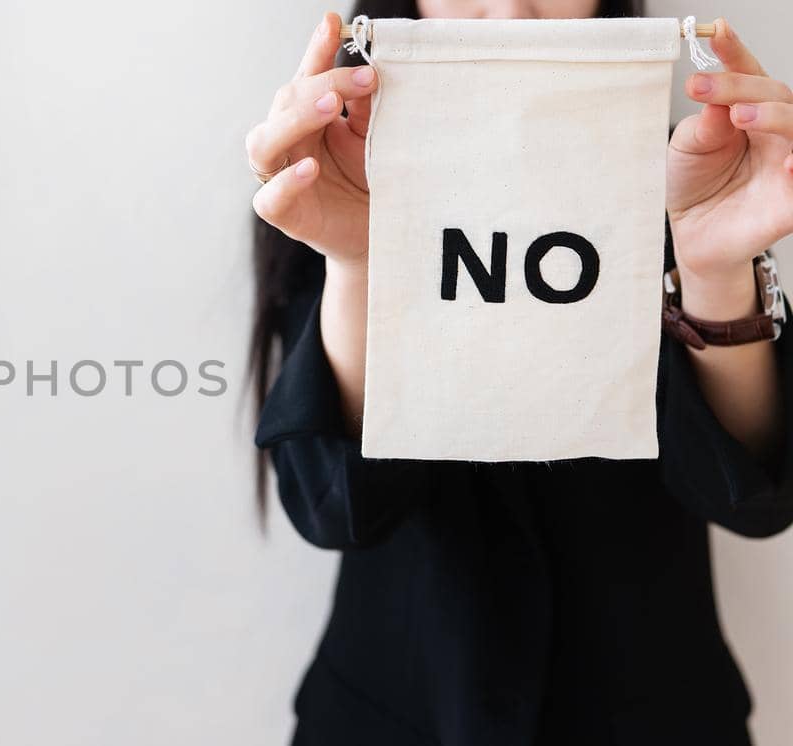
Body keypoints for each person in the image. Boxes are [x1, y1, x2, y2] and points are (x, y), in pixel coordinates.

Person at [246, 1, 793, 743]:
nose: (508, 11)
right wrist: (360, 264)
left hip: (658, 714)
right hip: (395, 712)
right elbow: (334, 507)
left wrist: (715, 268)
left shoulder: (691, 170)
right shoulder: (329, 165)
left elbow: (752, 498)